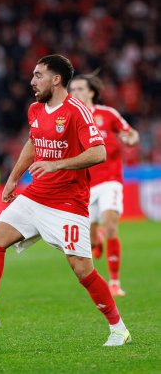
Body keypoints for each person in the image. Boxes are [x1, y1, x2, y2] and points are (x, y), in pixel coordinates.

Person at [0, 54, 131, 346]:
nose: (32, 81)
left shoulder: (77, 111)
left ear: (56, 79)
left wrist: (57, 164)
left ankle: (118, 328)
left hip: (68, 203)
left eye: (38, 75)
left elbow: (98, 152)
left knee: (82, 269)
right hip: (36, 195)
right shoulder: (35, 109)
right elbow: (33, 142)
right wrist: (14, 177)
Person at [69, 73, 139, 297]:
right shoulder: (71, 119)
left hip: (111, 180)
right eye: (73, 90)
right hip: (86, 186)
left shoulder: (108, 114)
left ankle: (115, 282)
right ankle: (95, 238)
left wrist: (131, 139)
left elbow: (130, 133)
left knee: (110, 226)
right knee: (88, 242)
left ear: (91, 92)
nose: (76, 93)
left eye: (80, 89)